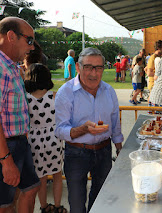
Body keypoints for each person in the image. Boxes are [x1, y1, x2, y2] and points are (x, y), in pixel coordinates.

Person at [55, 47, 124, 213]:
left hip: (104, 151)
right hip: (77, 153)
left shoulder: (109, 91)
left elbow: (115, 123)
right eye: (88, 67)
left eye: (98, 67)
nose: (94, 73)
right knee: (77, 204)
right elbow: (60, 130)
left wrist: (120, 149)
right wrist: (83, 129)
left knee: (101, 199)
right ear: (78, 67)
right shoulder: (66, 92)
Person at [0, 17, 40, 213]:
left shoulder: (12, 66)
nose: (32, 47)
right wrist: (6, 160)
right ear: (11, 36)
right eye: (29, 40)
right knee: (5, 204)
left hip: (19, 143)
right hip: (6, 146)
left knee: (31, 189)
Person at [24, 63, 67, 213]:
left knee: (41, 177)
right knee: (56, 175)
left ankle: (43, 206)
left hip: (34, 140)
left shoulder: (26, 99)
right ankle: (57, 206)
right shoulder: (54, 96)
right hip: (53, 139)